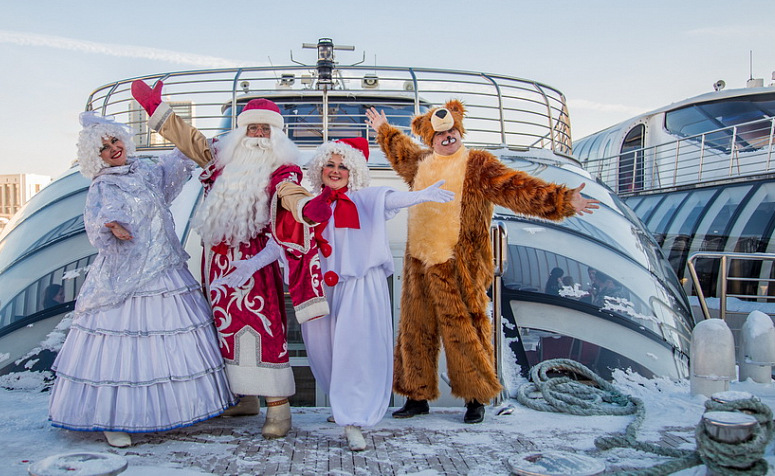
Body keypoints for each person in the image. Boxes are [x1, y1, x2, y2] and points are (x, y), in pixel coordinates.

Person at [367, 101, 600, 424]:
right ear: (430, 140)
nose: (447, 138)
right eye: (440, 134)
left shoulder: (477, 164)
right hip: (420, 262)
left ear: (459, 133)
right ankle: (416, 396)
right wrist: (384, 129)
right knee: (415, 329)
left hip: (460, 264)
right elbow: (401, 152)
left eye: (452, 132)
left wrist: (562, 199)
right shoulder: (421, 163)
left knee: (467, 330)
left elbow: (516, 188)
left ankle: (475, 398)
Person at [213, 138, 454, 451]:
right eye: (330, 164)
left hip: (359, 285)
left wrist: (421, 196)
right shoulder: (308, 204)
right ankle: (342, 406)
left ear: (353, 170)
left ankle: (353, 420)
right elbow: (281, 243)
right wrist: (250, 265)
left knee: (355, 354)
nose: (336, 170)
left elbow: (390, 199)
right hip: (317, 291)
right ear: (320, 168)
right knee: (323, 356)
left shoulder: (364, 199)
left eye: (343, 166)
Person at [131, 81, 333, 439]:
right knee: (220, 330)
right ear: (241, 131)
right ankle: (242, 398)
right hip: (217, 266)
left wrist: (306, 206)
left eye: (264, 129)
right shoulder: (221, 158)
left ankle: (278, 408)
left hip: (256, 266)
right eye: (252, 127)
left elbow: (291, 194)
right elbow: (189, 138)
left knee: (262, 329)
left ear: (275, 135)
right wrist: (157, 110)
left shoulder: (281, 170)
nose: (257, 134)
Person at [49, 112, 235, 448]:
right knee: (122, 345)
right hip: (126, 276)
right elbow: (99, 215)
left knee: (169, 342)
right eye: (105, 147)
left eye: (115, 140)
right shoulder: (104, 184)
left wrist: (188, 147)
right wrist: (112, 224)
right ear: (97, 156)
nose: (113, 148)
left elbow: (170, 171)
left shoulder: (144, 170)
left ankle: (171, 409)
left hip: (163, 266)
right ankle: (113, 418)